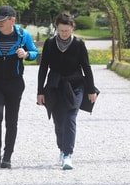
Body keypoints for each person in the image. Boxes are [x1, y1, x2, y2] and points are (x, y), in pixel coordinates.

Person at [0, 5, 39, 169]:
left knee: (12, 121)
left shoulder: (22, 35)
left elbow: (34, 52)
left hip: (15, 83)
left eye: (2, 20)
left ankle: (8, 156)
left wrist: (26, 55)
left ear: (12, 20)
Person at [37, 12, 98, 170]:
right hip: (55, 86)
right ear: (56, 28)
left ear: (72, 28)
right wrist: (40, 92)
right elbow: (43, 68)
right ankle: (62, 148)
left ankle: (67, 154)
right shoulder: (50, 44)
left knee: (70, 116)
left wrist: (91, 90)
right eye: (61, 30)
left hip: (75, 86)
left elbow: (86, 68)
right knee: (59, 122)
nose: (64, 34)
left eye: (67, 30)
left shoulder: (78, 44)